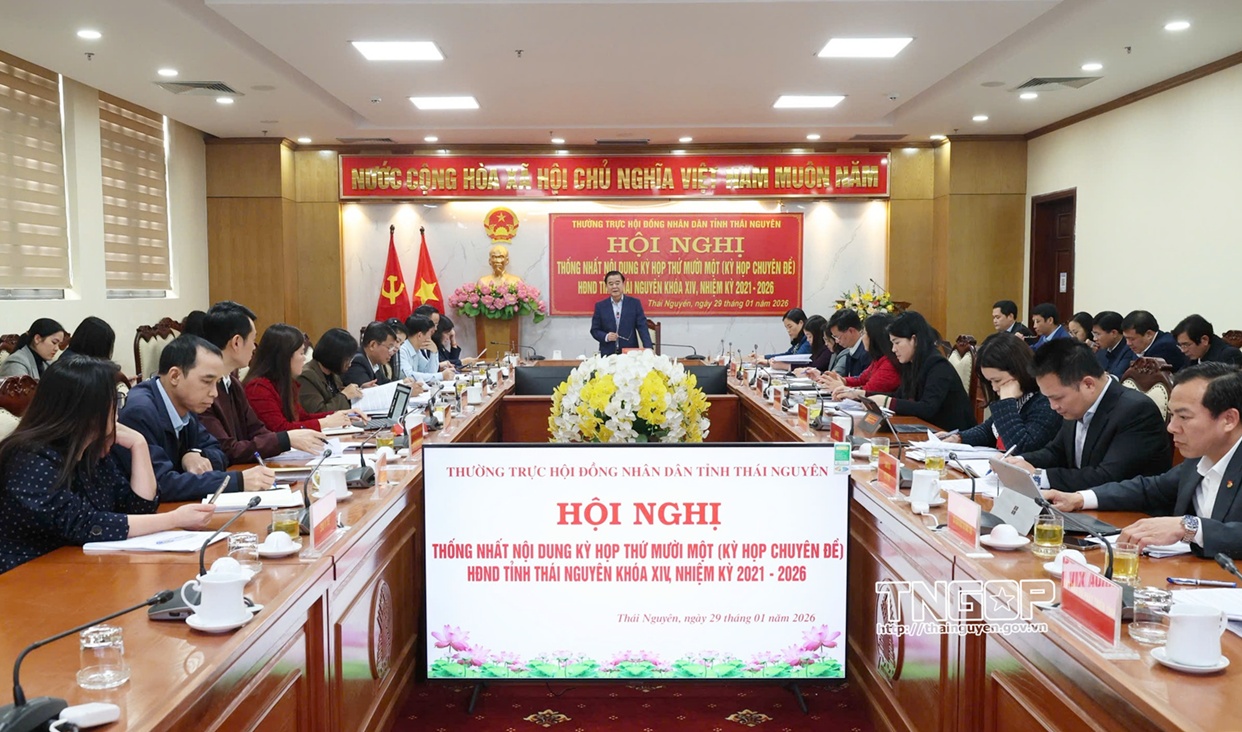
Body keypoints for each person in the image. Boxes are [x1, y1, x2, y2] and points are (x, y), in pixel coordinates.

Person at [0, 356, 216, 573]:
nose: (118, 409)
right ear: (87, 410)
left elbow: (138, 508)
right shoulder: (29, 458)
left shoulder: (90, 450)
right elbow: (86, 525)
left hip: (84, 566)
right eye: (114, 401)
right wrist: (174, 519)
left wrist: (139, 445)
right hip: (28, 575)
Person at [1043, 363, 1242, 558]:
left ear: (1229, 419)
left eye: (1184, 417)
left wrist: (1189, 527)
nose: (1171, 427)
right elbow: (1150, 489)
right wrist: (1079, 498)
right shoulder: (1199, 458)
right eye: (1172, 415)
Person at [118, 335, 275, 501]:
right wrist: (237, 481)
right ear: (174, 376)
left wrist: (193, 453)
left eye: (216, 383)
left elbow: (220, 453)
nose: (214, 393)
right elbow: (160, 484)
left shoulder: (186, 402)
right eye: (207, 382)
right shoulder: (140, 412)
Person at [1006, 339, 1171, 492]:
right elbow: (1055, 452)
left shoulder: (1136, 411)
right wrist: (1017, 462)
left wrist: (1039, 476)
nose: (1053, 406)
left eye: (1057, 398)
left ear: (1088, 384)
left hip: (1127, 509)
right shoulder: (1077, 405)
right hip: (1081, 501)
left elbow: (1107, 477)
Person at [196, 302, 329, 465]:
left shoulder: (233, 384)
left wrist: (284, 440)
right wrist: (284, 439)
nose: (254, 347)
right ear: (236, 342)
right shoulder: (202, 391)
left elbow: (257, 430)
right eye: (253, 339)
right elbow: (227, 450)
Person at [937, 332, 1061, 453]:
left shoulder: (1046, 401)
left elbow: (1021, 448)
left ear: (1018, 370)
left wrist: (1006, 403)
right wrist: (959, 438)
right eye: (990, 381)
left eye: (997, 380)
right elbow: (989, 429)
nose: (994, 387)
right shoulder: (1018, 396)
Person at [868, 311, 975, 431]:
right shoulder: (912, 363)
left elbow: (927, 408)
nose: (893, 349)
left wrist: (887, 402)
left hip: (951, 434)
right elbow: (900, 396)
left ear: (914, 340)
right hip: (927, 430)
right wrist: (864, 395)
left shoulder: (938, 365)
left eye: (897, 342)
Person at [245, 324, 355, 433]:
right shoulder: (258, 388)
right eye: (301, 353)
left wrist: (339, 415)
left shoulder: (284, 383)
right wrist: (326, 422)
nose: (304, 358)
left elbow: (302, 417)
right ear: (285, 357)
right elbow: (281, 429)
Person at [819, 312, 901, 398]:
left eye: (864, 333)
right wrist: (842, 380)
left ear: (875, 337)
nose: (862, 338)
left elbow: (867, 392)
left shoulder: (889, 364)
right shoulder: (878, 360)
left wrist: (842, 387)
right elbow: (861, 379)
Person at [299, 328, 366, 414]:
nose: (350, 364)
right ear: (335, 357)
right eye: (348, 359)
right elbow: (319, 413)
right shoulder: (306, 377)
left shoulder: (333, 374)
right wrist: (344, 395)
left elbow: (336, 396)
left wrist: (360, 390)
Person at [590, 270, 652, 356]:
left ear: (623, 284)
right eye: (611, 284)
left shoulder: (634, 304)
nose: (614, 286)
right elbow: (594, 330)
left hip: (630, 354)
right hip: (608, 354)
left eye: (617, 283)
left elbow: (642, 328)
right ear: (606, 286)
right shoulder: (600, 306)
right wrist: (606, 336)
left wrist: (648, 349)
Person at [0, 318, 67, 379]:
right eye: (54, 342)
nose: (57, 348)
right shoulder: (16, 362)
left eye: (59, 344)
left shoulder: (47, 363)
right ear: (37, 339)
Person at [1121, 310, 1187, 371]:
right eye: (1126, 338)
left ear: (1149, 334)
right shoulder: (1140, 347)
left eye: (1132, 339)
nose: (1128, 343)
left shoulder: (1164, 347)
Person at [1173, 314, 1242, 366]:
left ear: (1204, 340)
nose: (1183, 350)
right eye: (1180, 345)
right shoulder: (1192, 355)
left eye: (1186, 345)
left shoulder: (1229, 356)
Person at [344, 321, 397, 387]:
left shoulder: (375, 361)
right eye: (389, 347)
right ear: (373, 345)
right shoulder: (357, 362)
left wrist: (403, 384)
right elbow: (369, 390)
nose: (391, 352)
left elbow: (385, 383)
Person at [399, 314, 448, 383]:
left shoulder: (416, 350)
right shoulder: (401, 350)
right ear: (420, 335)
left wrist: (434, 352)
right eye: (430, 334)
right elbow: (409, 375)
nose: (430, 338)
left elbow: (429, 373)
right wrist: (441, 376)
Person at [826, 309, 870, 377]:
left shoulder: (866, 353)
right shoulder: (850, 350)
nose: (837, 341)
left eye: (838, 337)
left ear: (851, 331)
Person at [1092, 310, 1136, 378]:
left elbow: (1116, 377)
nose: (1094, 339)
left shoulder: (1129, 349)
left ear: (1114, 333)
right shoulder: (1102, 349)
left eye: (1097, 334)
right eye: (1093, 334)